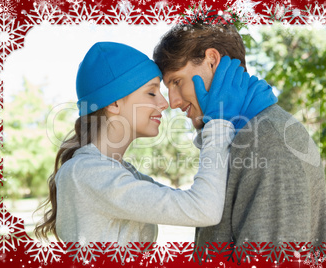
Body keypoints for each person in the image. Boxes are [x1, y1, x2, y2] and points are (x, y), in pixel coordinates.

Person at [34, 41, 252, 244]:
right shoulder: (87, 172)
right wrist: (217, 122)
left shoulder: (120, 172)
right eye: (151, 92)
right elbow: (203, 209)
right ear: (115, 103)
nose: (165, 103)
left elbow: (199, 200)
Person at [153, 22, 326, 246]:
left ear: (212, 61)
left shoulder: (268, 140)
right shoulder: (242, 135)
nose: (173, 102)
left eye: (177, 82)